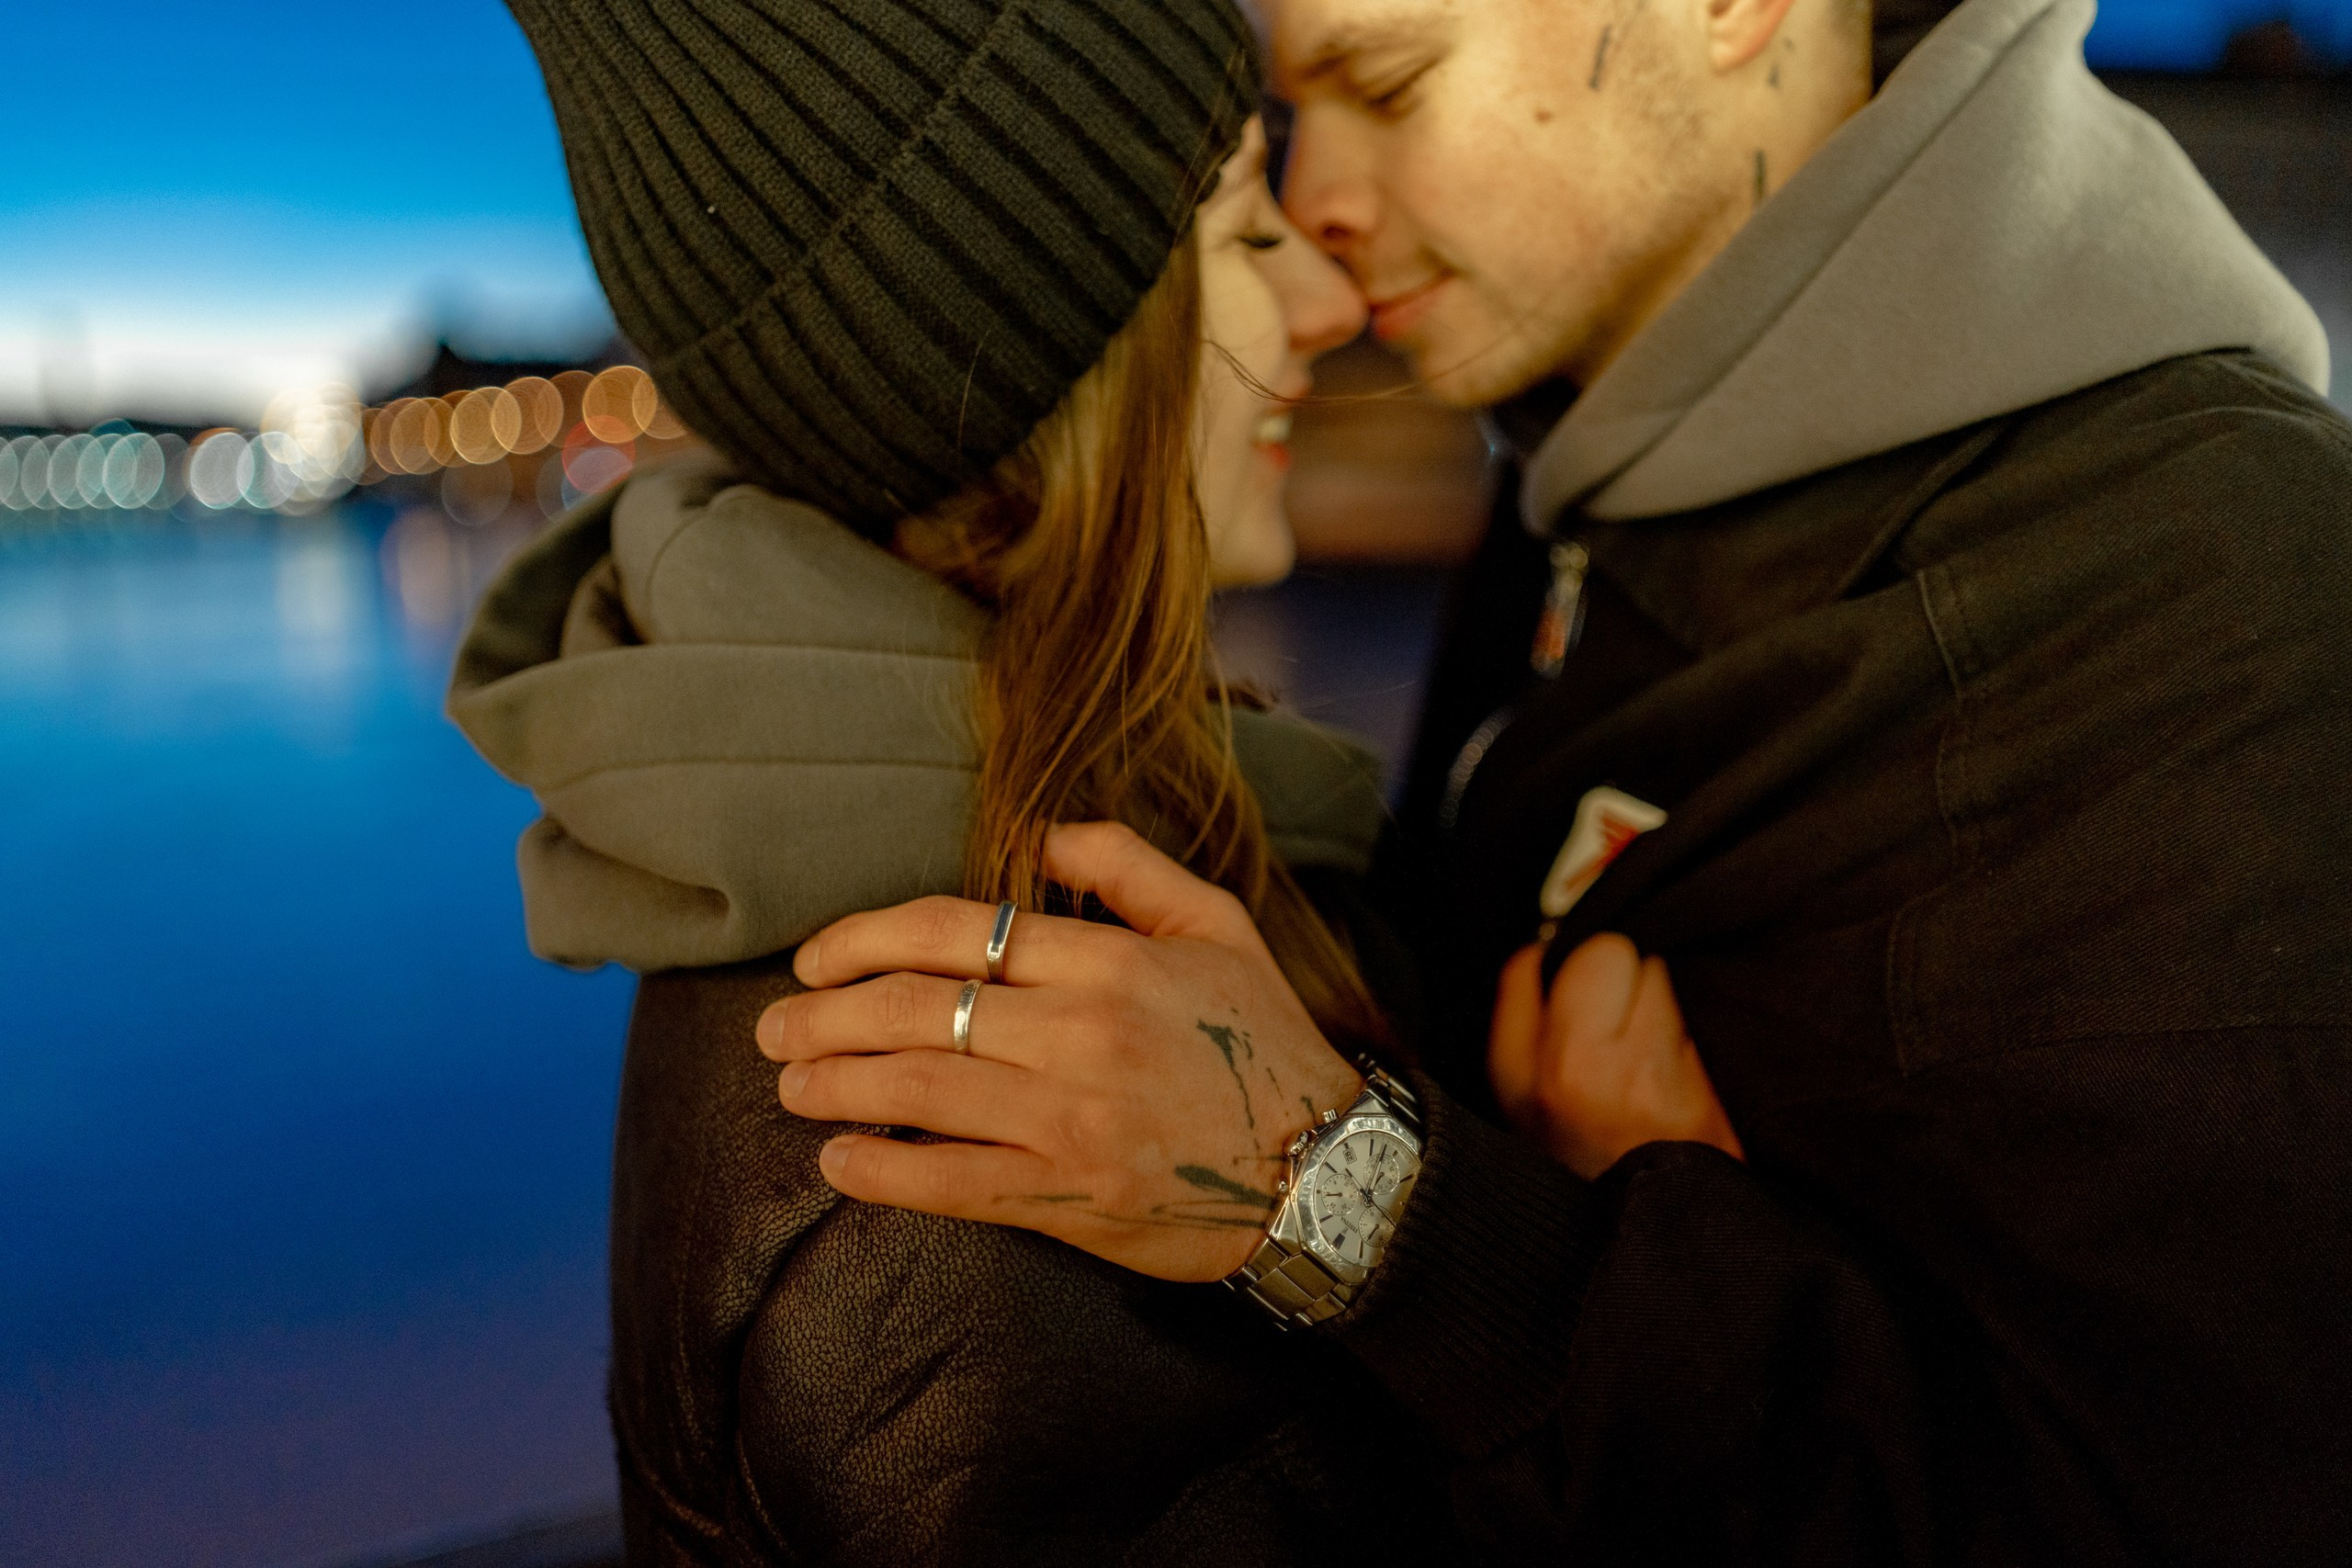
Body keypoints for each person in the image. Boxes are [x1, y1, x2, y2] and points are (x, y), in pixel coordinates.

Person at [764, 0, 2352, 1559]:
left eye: (1385, 79)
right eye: (1292, 109)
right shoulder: (1592, 454)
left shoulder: (2218, 592)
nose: (1313, 194)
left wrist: (1398, 1210)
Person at [453, 0, 1726, 1559]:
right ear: (1041, 359)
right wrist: (1597, 1269)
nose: (1334, 296)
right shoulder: (953, 1204)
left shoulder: (1049, 857)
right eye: (1251, 243)